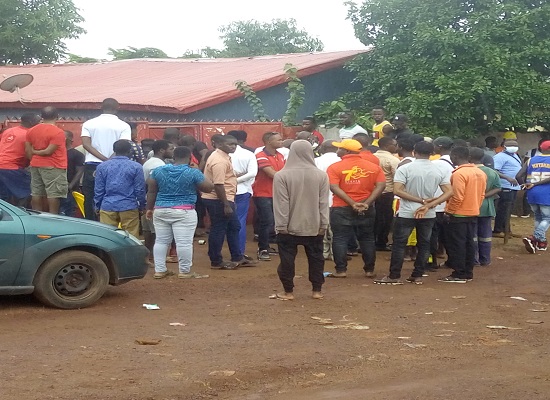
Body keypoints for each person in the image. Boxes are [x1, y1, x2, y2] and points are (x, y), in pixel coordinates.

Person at [374, 141, 453, 285]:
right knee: (424, 243)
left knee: (399, 243)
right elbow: (449, 192)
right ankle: (417, 275)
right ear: (431, 153)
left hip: (407, 211)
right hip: (428, 212)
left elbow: (397, 190)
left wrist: (420, 201)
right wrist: (430, 204)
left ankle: (394, 276)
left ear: (414, 152)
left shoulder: (406, 168)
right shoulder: (438, 170)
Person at [273, 140, 330, 300]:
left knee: (287, 259)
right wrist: (323, 223)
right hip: (314, 225)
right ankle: (317, 291)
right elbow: (323, 202)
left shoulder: (281, 175)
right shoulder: (321, 175)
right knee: (316, 258)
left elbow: (281, 203)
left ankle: (288, 291)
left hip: (289, 226)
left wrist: (281, 225)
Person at [146, 146, 214, 279]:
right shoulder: (192, 172)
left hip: (160, 209)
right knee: (184, 242)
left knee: (161, 241)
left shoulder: (158, 171)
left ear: (173, 157)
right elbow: (208, 188)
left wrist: (149, 208)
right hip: (184, 210)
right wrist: (198, 174)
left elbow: (152, 191)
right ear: (189, 158)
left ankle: (160, 270)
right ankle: (184, 271)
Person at [326, 139, 386, 278]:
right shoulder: (373, 167)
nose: (337, 150)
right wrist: (367, 203)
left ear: (346, 151)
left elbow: (334, 187)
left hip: (341, 208)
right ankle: (369, 270)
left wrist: (352, 203)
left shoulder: (335, 167)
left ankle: (341, 270)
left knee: (340, 238)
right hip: (367, 208)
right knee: (367, 238)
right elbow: (381, 185)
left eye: (340, 148)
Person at [202, 135, 255, 269]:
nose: (233, 146)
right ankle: (216, 261)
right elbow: (219, 184)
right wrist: (225, 204)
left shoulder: (223, 157)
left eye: (235, 144)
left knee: (234, 226)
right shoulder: (220, 160)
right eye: (230, 144)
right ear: (219, 144)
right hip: (219, 200)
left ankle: (237, 256)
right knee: (218, 229)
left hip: (223, 198)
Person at [439, 146, 486, 283]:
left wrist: (449, 211)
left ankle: (459, 273)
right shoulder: (479, 172)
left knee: (457, 244)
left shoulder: (458, 174)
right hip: (473, 212)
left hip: (458, 214)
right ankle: (467, 272)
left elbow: (457, 196)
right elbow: (482, 194)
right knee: (469, 243)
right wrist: (475, 206)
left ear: (455, 156)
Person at [81, 98, 131, 220]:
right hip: (116, 165)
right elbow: (123, 146)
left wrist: (103, 160)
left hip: (93, 165)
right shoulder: (124, 125)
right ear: (117, 108)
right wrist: (109, 161)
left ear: (101, 107)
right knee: (112, 194)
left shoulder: (89, 123)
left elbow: (86, 144)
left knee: (90, 196)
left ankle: (91, 224)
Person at [94, 140, 146, 238]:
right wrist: (142, 205)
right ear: (130, 151)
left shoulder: (102, 167)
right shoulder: (136, 167)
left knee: (107, 237)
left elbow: (99, 190)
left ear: (114, 150)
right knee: (131, 237)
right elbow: (139, 190)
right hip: (129, 206)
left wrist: (97, 205)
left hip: (107, 205)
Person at [25, 106, 68, 214]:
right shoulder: (58, 132)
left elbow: (27, 151)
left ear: (41, 116)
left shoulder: (31, 130)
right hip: (54, 166)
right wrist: (37, 153)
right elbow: (48, 151)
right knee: (54, 193)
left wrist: (34, 155)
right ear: (57, 116)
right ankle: (53, 217)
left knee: (36, 192)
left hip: (35, 165)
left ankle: (37, 216)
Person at [253, 132, 286, 261]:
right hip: (262, 193)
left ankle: (266, 246)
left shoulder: (280, 155)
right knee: (266, 221)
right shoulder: (260, 156)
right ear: (268, 141)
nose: (281, 142)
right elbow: (273, 174)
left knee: (272, 221)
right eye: (278, 140)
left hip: (275, 193)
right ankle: (263, 249)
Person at [227, 130, 258, 258]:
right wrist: (237, 180)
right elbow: (252, 173)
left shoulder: (220, 154)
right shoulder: (248, 154)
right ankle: (239, 252)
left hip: (224, 191)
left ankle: (219, 254)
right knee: (240, 221)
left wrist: (231, 181)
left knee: (223, 223)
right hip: (242, 191)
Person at [142, 140, 175, 256]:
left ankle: (148, 254)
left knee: (149, 230)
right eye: (170, 149)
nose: (173, 151)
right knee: (157, 231)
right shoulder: (158, 165)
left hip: (150, 198)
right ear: (162, 150)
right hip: (156, 200)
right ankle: (155, 255)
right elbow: (156, 185)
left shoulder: (149, 162)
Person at [0, 112, 40, 206]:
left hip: (3, 165)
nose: (40, 124)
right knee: (28, 192)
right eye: (38, 121)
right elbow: (29, 152)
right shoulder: (29, 133)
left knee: (3, 196)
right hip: (12, 167)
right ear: (31, 122)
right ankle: (22, 215)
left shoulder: (9, 131)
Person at [469, 147, 501, 265]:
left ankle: (474, 260)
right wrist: (485, 195)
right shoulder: (492, 172)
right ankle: (485, 259)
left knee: (473, 235)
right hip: (487, 207)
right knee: (486, 235)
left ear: (469, 157)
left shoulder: (468, 171)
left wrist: (478, 195)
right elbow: (498, 187)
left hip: (471, 206)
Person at [517, 140, 550, 253]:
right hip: (546, 193)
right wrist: (535, 184)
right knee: (547, 218)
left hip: (532, 192)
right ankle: (533, 237)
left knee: (538, 217)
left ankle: (541, 243)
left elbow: (518, 175)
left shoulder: (531, 160)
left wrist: (524, 185)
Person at [430, 136, 455, 266]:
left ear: (439, 147)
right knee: (448, 236)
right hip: (451, 205)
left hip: (437, 204)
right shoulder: (457, 162)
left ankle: (432, 261)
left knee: (432, 235)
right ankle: (451, 261)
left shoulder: (437, 164)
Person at [315, 140, 341, 261]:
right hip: (339, 199)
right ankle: (336, 252)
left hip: (321, 198)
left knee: (323, 228)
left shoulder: (317, 161)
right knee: (337, 230)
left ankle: (325, 252)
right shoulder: (341, 161)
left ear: (323, 148)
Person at [374, 136, 400, 251]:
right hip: (387, 193)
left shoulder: (373, 157)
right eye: (394, 144)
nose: (396, 147)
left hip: (372, 193)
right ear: (386, 146)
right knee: (385, 219)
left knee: (374, 218)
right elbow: (397, 178)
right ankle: (381, 242)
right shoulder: (393, 160)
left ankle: (372, 241)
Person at [492, 139, 523, 237]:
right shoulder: (499, 157)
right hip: (505, 185)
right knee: (504, 209)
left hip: (514, 186)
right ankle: (498, 230)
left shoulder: (515, 155)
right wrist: (507, 178)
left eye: (515, 145)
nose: (513, 147)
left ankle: (507, 230)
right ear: (504, 147)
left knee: (508, 209)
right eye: (511, 145)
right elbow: (494, 171)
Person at [59, 131, 85, 217]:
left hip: (71, 189)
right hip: (57, 187)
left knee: (70, 211)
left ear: (70, 140)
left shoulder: (77, 154)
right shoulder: (56, 153)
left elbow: (80, 171)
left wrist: (71, 185)